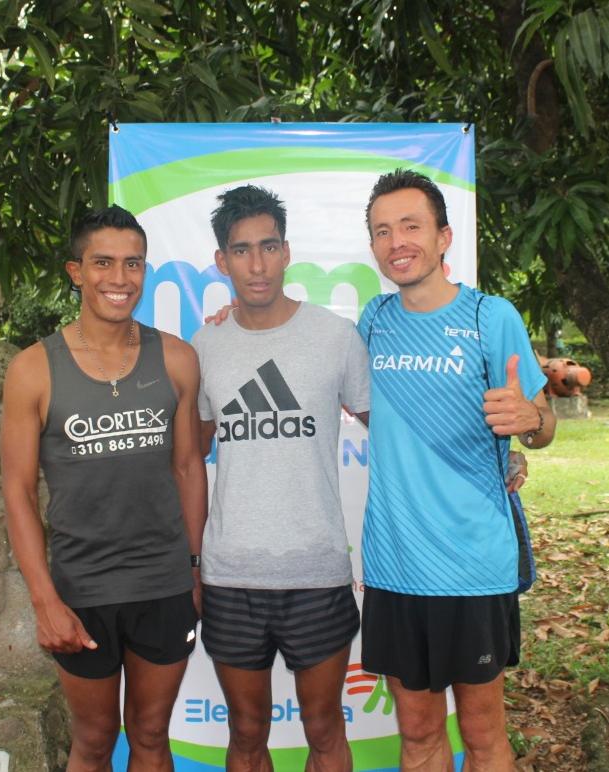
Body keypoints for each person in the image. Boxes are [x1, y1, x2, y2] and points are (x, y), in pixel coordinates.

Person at [357, 169, 556, 772]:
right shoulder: (374, 320)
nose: (398, 242)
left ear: (444, 237)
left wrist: (529, 420)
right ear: (373, 247)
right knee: (416, 734)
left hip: (473, 564)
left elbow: (542, 427)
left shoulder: (490, 318)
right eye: (382, 231)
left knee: (484, 733)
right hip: (394, 562)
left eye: (411, 225)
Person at [0, 206, 206, 772]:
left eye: (132, 263)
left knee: (150, 736)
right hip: (80, 588)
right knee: (92, 743)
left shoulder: (178, 359)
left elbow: (189, 468)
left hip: (162, 583)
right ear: (76, 270)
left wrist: (192, 566)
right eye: (103, 263)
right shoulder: (33, 369)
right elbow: (16, 492)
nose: (120, 278)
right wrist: (45, 600)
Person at [192, 185, 371, 772]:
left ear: (287, 251)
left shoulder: (335, 338)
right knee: (246, 733)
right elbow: (189, 461)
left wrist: (494, 453)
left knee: (324, 728)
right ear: (222, 261)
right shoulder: (205, 345)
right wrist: (190, 561)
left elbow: (394, 432)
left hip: (316, 570)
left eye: (268, 247)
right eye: (241, 251)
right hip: (231, 576)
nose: (257, 264)